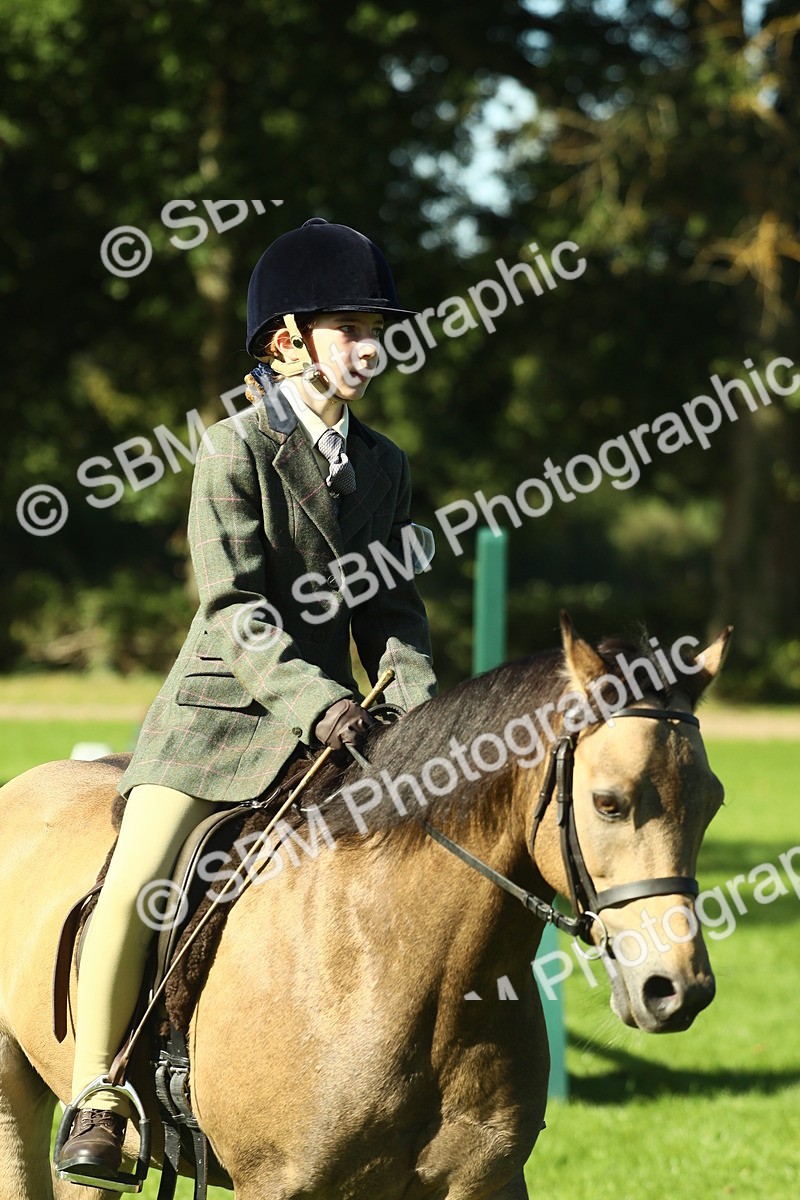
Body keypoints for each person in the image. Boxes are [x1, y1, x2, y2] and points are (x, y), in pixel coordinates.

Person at [55, 217, 437, 1186]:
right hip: (220, 718)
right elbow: (233, 606)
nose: (370, 345)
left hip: (337, 721)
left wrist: (423, 712)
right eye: (350, 326)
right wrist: (321, 703)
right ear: (285, 340)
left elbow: (392, 603)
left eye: (376, 327)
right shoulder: (232, 449)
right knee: (136, 882)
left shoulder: (383, 464)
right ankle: (98, 1096)